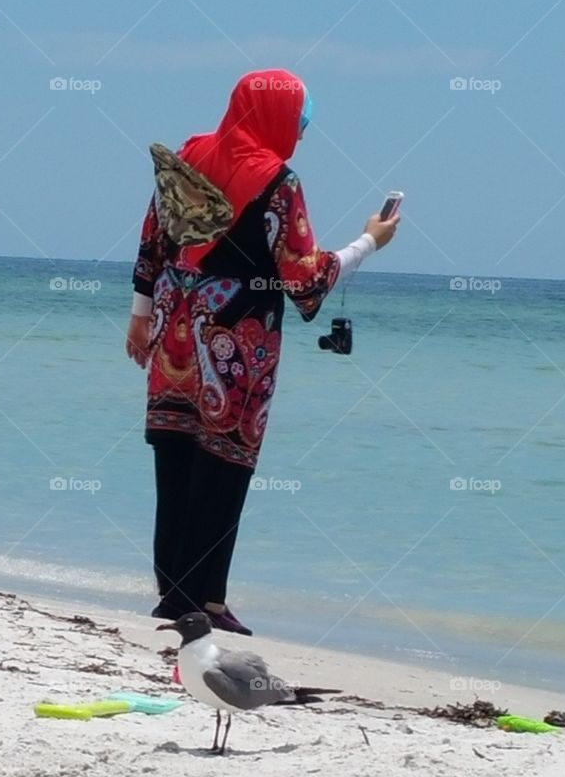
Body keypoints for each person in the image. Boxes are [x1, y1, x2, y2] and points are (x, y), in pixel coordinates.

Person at [125, 69, 399, 634]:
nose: (300, 132)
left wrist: (140, 315)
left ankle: (174, 597)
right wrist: (369, 242)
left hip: (175, 331)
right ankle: (209, 602)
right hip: (236, 342)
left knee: (174, 459)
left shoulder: (188, 157)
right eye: (299, 119)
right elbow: (303, 279)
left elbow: (153, 239)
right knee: (224, 464)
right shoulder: (278, 181)